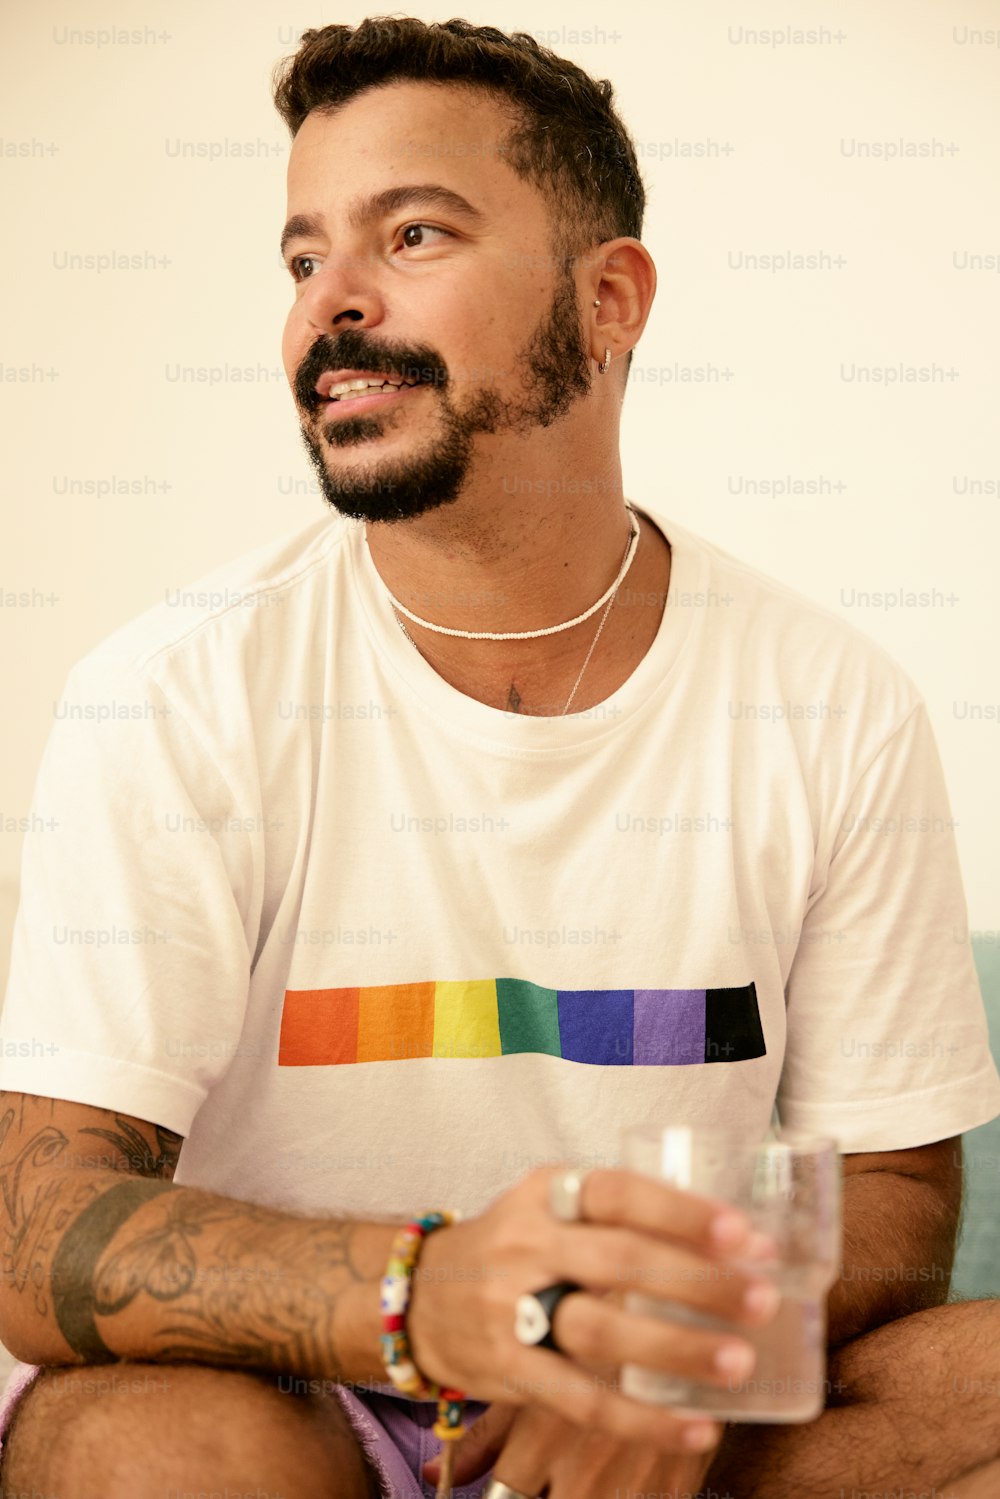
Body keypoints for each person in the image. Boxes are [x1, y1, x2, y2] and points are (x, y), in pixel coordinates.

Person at [0, 16, 998, 1499]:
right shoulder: (173, 692)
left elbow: (896, 1186)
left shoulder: (834, 702)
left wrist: (658, 1340)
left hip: (659, 1408)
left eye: (412, 234)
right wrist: (435, 1296)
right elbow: (37, 1221)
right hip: (292, 1399)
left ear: (609, 300)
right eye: (299, 258)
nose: (330, 303)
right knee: (147, 1447)